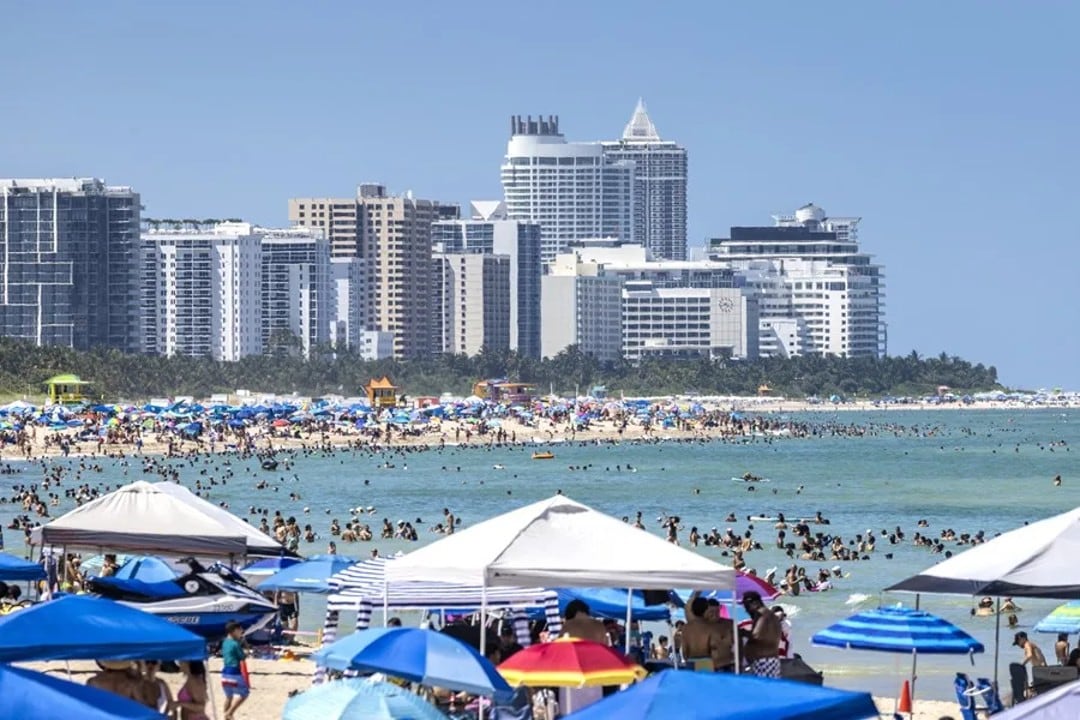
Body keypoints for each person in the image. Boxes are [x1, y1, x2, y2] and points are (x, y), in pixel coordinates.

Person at [680, 595, 734, 672]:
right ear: (706, 610)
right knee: (706, 683)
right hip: (705, 661)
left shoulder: (686, 628)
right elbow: (714, 645)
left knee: (692, 683)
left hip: (690, 661)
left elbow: (684, 651)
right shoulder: (709, 626)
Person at [741, 591, 782, 678]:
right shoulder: (770, 615)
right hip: (769, 661)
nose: (746, 610)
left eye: (746, 606)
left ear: (754, 603)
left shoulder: (762, 614)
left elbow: (757, 636)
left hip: (764, 662)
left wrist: (742, 632)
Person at [221, 621, 250, 720]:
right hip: (234, 672)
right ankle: (229, 713)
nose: (241, 633)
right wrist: (246, 651)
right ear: (234, 631)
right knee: (244, 694)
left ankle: (226, 716)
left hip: (225, 672)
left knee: (229, 696)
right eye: (239, 631)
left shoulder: (225, 642)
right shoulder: (235, 644)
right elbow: (242, 657)